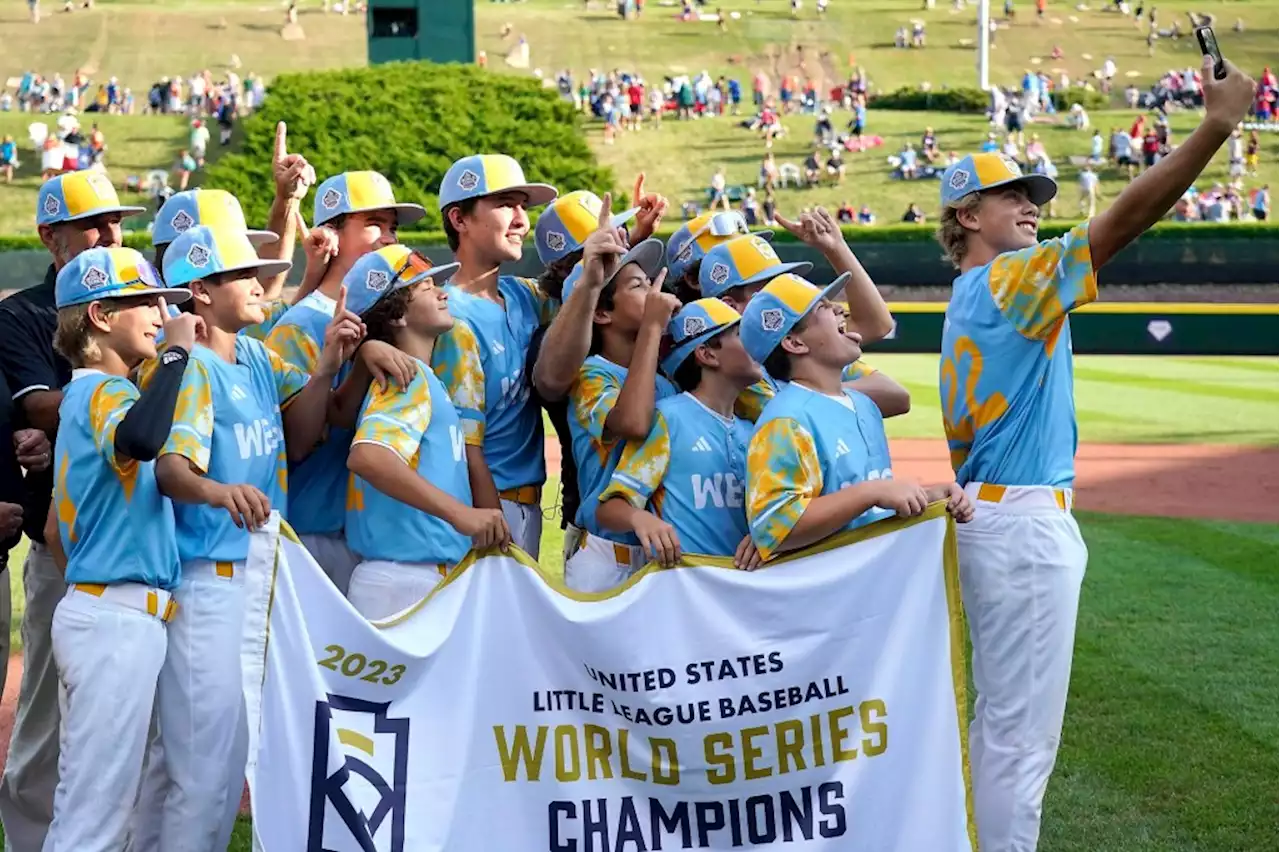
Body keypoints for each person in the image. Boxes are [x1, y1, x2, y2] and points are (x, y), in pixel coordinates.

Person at [934, 57, 1255, 852]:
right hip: (1021, 527)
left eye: (1032, 195)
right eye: (1013, 195)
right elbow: (1120, 225)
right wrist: (1213, 127)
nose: (1030, 206)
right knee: (1020, 741)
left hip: (992, 520)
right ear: (966, 215)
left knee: (997, 726)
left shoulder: (968, 297)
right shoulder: (1010, 281)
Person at [151, 224, 357, 850]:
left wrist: (328, 367)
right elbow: (170, 469)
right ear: (201, 293)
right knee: (204, 773)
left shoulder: (260, 357)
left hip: (258, 578)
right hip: (208, 582)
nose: (259, 281)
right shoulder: (194, 371)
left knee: (223, 757)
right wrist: (219, 491)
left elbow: (301, 437)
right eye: (242, 274)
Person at [0, 169, 142, 852]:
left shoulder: (140, 302)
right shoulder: (23, 313)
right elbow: (35, 406)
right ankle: (29, 841)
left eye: (115, 221)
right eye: (94, 224)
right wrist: (133, 405)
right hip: (60, 542)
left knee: (136, 722)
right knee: (46, 719)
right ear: (49, 236)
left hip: (143, 539)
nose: (109, 234)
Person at [42, 247, 200, 852]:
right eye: (146, 302)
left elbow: (58, 533)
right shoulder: (104, 391)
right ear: (102, 315)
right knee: (94, 815)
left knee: (99, 804)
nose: (163, 313)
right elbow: (141, 436)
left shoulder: (91, 397)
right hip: (114, 617)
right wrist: (178, 356)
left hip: (107, 610)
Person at [265, 168, 426, 589]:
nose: (388, 237)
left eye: (392, 227)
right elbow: (293, 443)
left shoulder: (389, 318)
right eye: (373, 224)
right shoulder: (299, 326)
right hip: (311, 531)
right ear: (331, 235)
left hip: (370, 535)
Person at [740, 273, 971, 563]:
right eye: (821, 307)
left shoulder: (863, 405)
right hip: (831, 595)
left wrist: (933, 495)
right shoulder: (786, 420)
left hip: (871, 584)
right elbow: (774, 529)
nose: (839, 308)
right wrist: (873, 492)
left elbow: (871, 504)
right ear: (795, 343)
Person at [343, 246, 512, 620]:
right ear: (397, 314)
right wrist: (459, 514)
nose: (442, 292)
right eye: (424, 287)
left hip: (409, 577)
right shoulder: (410, 377)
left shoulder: (424, 377)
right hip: (406, 580)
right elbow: (368, 456)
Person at [432, 154, 558, 558]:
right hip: (487, 508)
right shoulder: (447, 314)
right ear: (459, 219)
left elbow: (592, 306)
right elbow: (465, 442)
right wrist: (491, 518)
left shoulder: (525, 294)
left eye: (523, 205)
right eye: (506, 204)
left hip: (525, 507)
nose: (522, 219)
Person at [596, 299, 763, 568]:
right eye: (741, 334)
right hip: (685, 590)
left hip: (740, 592)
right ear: (707, 354)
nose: (757, 344)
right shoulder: (669, 419)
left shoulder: (753, 430)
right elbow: (610, 508)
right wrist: (641, 519)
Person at [564, 239, 678, 591]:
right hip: (607, 555)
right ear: (601, 313)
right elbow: (633, 422)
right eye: (638, 286)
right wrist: (653, 328)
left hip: (663, 552)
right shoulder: (590, 375)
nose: (652, 291)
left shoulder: (665, 381)